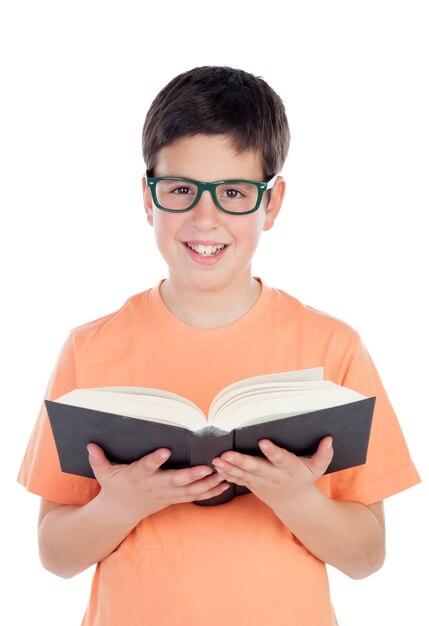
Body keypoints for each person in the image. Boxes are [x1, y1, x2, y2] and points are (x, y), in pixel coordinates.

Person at [18, 65, 420, 626]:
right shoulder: (90, 349)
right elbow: (55, 556)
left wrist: (298, 500)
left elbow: (368, 558)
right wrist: (122, 504)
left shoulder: (334, 347)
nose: (205, 219)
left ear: (272, 203)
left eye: (233, 192)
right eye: (181, 190)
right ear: (148, 196)